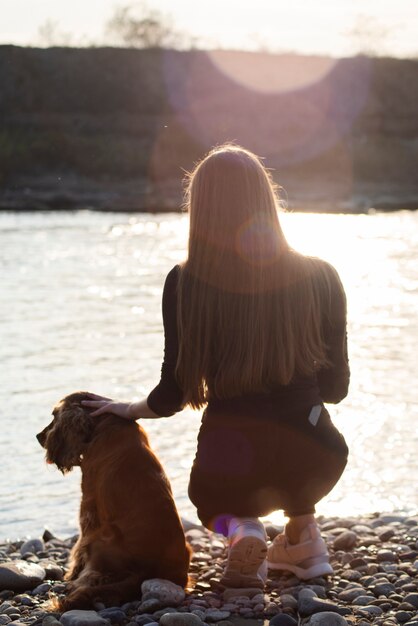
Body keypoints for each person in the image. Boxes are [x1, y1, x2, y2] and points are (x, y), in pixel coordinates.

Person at [82, 144, 350, 588]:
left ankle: (241, 529)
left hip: (230, 463)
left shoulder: (184, 282)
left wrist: (124, 409)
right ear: (266, 198)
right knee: (298, 434)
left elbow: (172, 394)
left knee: (214, 498)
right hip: (317, 456)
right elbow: (336, 388)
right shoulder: (322, 275)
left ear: (200, 208)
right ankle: (306, 539)